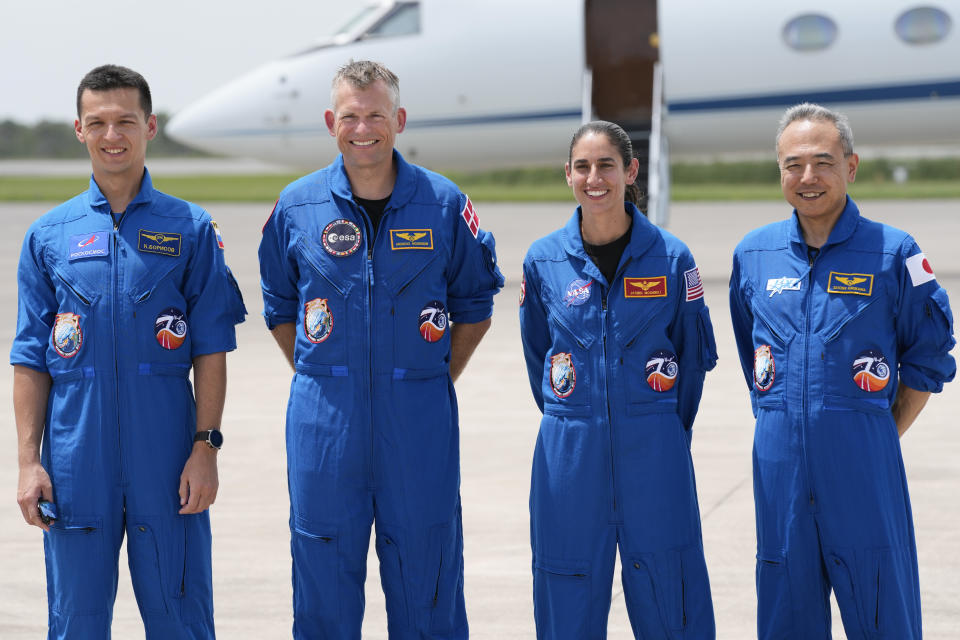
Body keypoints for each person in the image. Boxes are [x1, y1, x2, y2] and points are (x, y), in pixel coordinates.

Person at [258, 59, 503, 638]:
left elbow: (475, 304)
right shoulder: (296, 207)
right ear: (330, 121)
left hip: (418, 424)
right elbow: (279, 306)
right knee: (322, 580)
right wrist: (328, 378)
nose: (362, 128)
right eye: (350, 116)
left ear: (399, 119)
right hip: (325, 426)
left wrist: (429, 377)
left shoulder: (444, 205)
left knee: (429, 580)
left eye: (375, 115)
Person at [12, 64, 246, 640]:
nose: (112, 135)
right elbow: (30, 358)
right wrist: (27, 461)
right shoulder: (49, 235)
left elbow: (211, 349)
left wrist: (205, 447)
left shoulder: (191, 229)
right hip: (75, 460)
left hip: (167, 459)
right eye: (98, 123)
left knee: (182, 617)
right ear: (79, 130)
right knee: (75, 623)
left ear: (150, 127)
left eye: (125, 121)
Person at [729, 103, 956, 639]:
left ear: (851, 167)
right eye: (794, 164)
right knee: (786, 611)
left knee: (883, 611)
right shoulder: (752, 255)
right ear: (780, 170)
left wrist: (874, 430)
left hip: (861, 467)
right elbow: (753, 358)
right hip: (780, 467)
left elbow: (929, 357)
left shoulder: (894, 252)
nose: (808, 177)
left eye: (824, 161)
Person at [519, 121, 718, 639]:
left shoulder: (673, 259)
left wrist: (660, 431)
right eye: (582, 167)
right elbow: (539, 354)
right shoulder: (542, 262)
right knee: (566, 594)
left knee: (671, 597)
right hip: (570, 457)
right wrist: (580, 418)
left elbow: (691, 363)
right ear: (567, 175)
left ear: (630, 171)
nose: (594, 178)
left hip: (655, 454)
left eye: (606, 164)